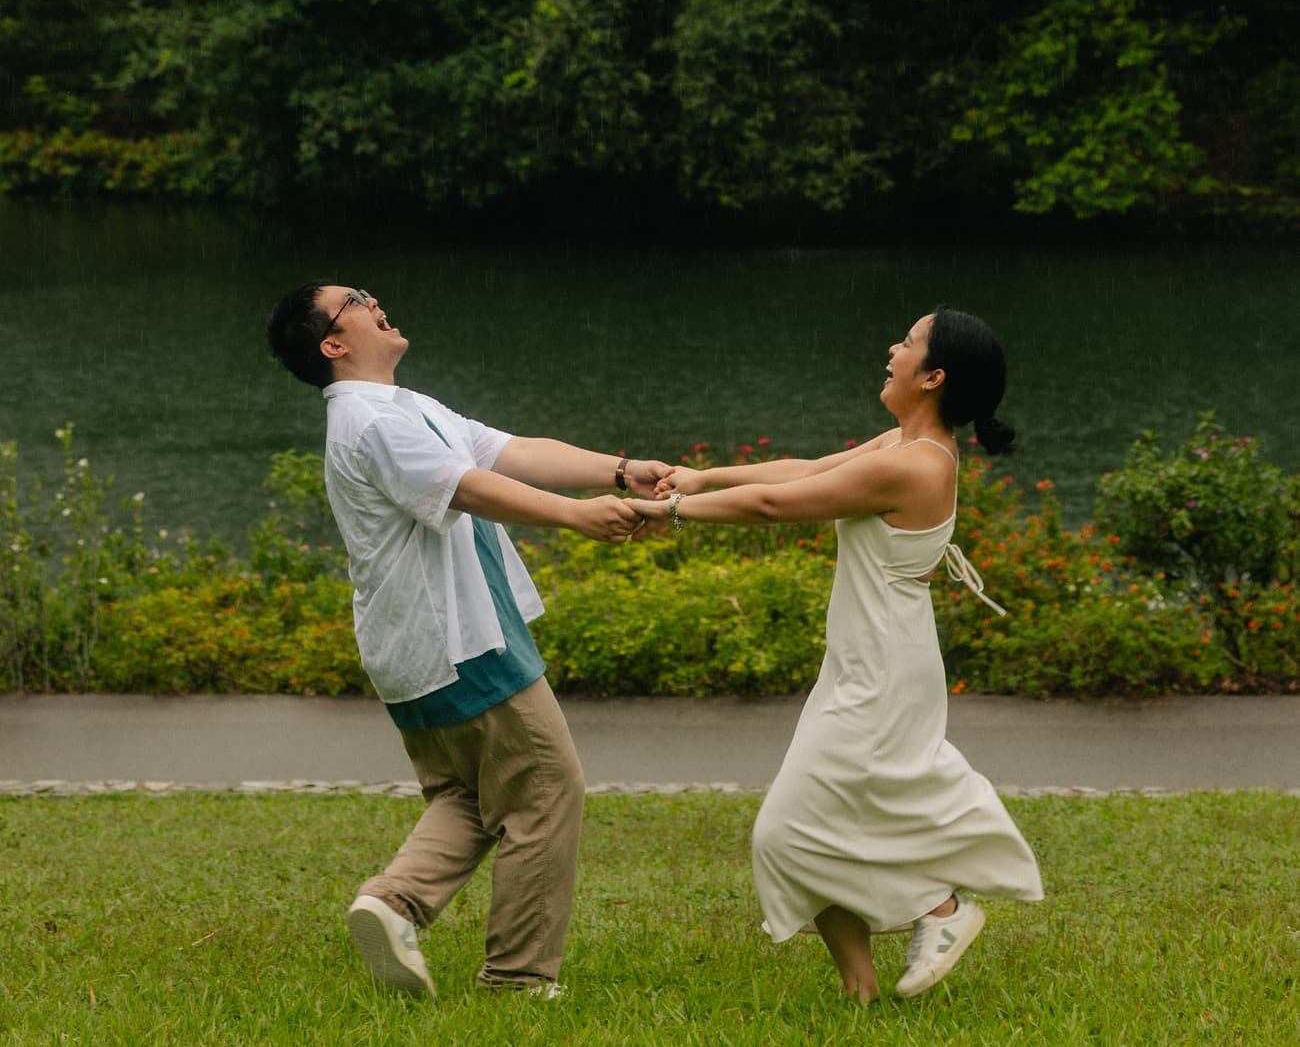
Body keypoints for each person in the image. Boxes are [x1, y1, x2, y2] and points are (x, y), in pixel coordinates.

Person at [265, 280, 669, 1002]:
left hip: (419, 648)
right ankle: (517, 977)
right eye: (354, 298)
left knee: (472, 794)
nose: (373, 297)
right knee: (546, 785)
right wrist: (579, 518)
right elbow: (469, 487)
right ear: (333, 342)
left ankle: (393, 903)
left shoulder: (404, 406)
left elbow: (509, 452)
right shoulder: (370, 422)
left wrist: (615, 469)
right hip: (459, 641)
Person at [631, 304, 1043, 1005]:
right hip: (865, 659)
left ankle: (940, 908)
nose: (892, 347)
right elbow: (808, 468)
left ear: (934, 375)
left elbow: (776, 507)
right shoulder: (905, 443)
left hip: (882, 672)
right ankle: (862, 989)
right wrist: (702, 478)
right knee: (817, 826)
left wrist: (665, 512)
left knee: (787, 830)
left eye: (908, 342)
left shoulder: (917, 464)